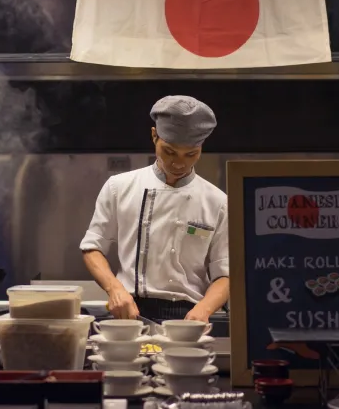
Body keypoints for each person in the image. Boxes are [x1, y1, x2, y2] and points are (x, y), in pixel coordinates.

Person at [80, 95, 229, 322]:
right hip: (130, 311)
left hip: (189, 315)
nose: (179, 163)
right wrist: (115, 289)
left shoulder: (217, 202)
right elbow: (92, 247)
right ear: (154, 136)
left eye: (191, 155)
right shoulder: (119, 187)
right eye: (169, 151)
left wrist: (205, 309)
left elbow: (226, 273)